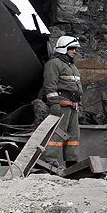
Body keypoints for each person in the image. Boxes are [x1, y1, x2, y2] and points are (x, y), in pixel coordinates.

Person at [41, 36, 83, 168]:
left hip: (73, 105)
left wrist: (80, 105)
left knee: (74, 134)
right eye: (72, 48)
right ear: (64, 48)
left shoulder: (71, 66)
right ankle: (50, 159)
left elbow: (77, 87)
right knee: (58, 132)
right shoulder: (54, 64)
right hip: (62, 104)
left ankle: (72, 160)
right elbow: (50, 85)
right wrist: (54, 103)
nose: (74, 51)